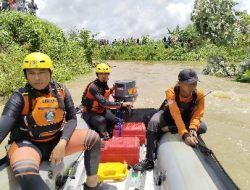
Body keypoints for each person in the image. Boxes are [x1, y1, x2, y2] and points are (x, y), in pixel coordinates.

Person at [0, 52, 107, 190]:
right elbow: (3, 128)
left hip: (55, 141)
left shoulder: (61, 91)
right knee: (24, 170)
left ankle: (92, 186)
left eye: (42, 72)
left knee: (93, 138)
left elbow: (73, 119)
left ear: (50, 72)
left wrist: (63, 142)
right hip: (27, 144)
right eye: (31, 73)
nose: (37, 78)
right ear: (26, 74)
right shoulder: (19, 96)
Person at [133, 69, 207, 172]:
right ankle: (149, 161)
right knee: (153, 123)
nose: (193, 87)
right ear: (180, 83)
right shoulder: (170, 92)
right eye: (189, 84)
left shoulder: (199, 94)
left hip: (185, 119)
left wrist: (193, 128)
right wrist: (185, 135)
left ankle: (169, 128)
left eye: (194, 83)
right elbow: (175, 114)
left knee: (202, 127)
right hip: (169, 115)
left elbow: (198, 114)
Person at [81, 63, 131, 139]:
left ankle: (115, 135)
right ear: (97, 74)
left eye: (106, 73)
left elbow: (104, 94)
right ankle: (104, 137)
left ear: (108, 74)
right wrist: (122, 104)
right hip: (89, 112)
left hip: (101, 110)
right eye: (101, 73)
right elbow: (104, 103)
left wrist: (112, 89)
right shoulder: (93, 87)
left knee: (118, 121)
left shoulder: (104, 83)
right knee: (101, 121)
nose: (103, 75)